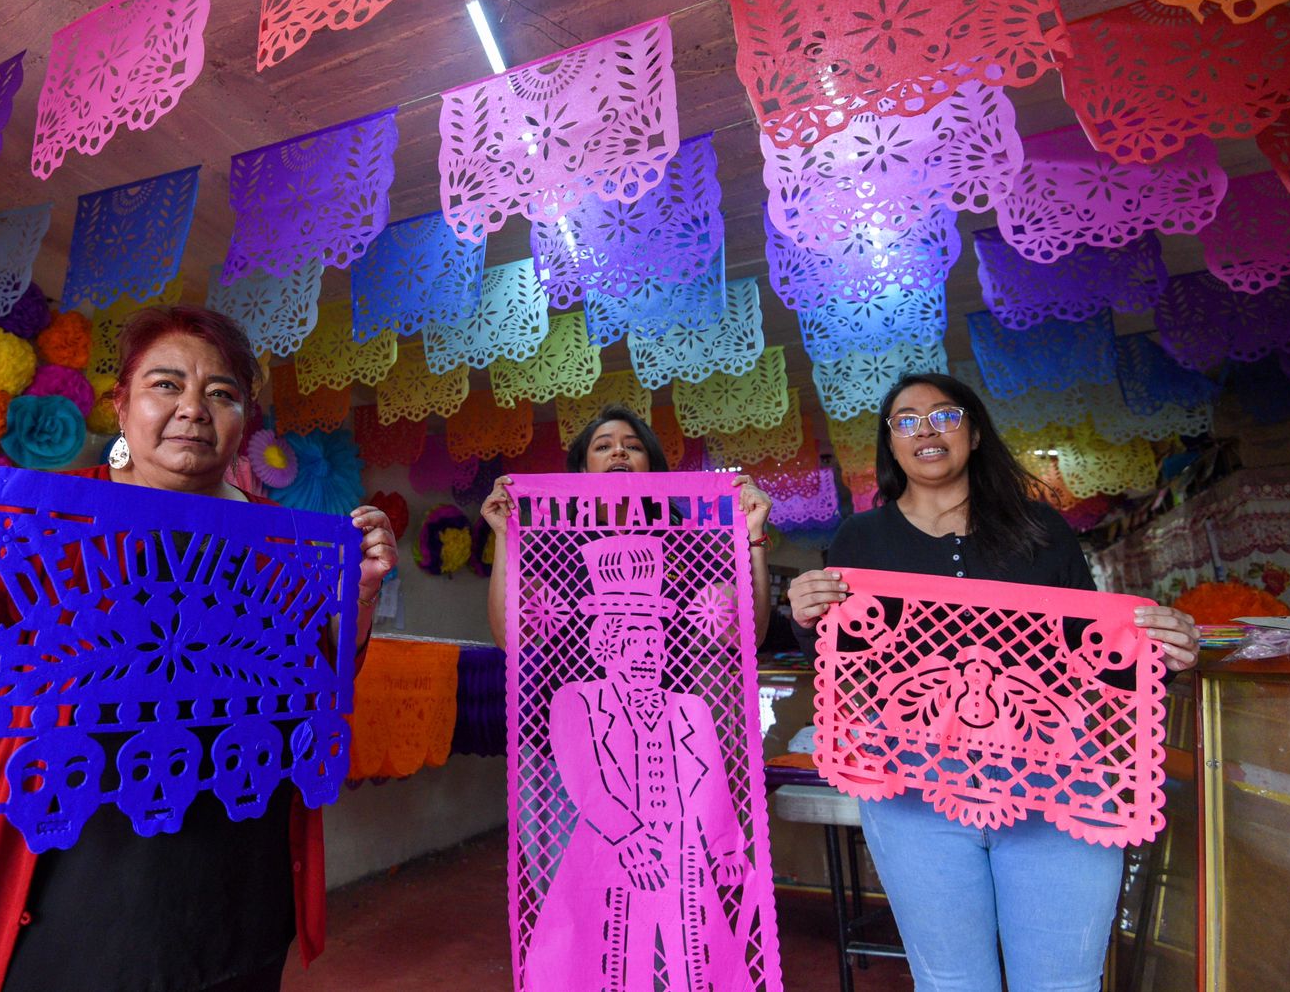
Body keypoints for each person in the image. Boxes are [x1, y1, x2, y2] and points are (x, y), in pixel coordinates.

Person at [0, 306, 398, 992]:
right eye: (167, 385)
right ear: (122, 407)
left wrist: (359, 592)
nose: (193, 409)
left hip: (234, 873)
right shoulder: (35, 514)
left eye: (221, 394)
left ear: (245, 420)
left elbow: (321, 677)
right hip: (60, 881)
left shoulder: (286, 540)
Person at [786, 373, 1199, 992]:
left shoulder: (1039, 527)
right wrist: (804, 613)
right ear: (890, 444)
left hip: (1056, 780)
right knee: (952, 982)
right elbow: (845, 663)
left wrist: (1160, 653)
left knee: (1063, 983)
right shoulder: (859, 539)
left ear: (974, 433)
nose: (926, 429)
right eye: (906, 420)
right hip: (914, 788)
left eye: (944, 415)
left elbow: (1088, 655)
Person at [520, 535, 752, 992]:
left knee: (692, 959)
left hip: (682, 853)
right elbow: (582, 773)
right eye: (631, 638)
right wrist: (627, 837)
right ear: (605, 646)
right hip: (608, 849)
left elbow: (714, 783)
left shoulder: (690, 709)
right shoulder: (578, 700)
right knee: (610, 955)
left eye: (654, 638)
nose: (646, 651)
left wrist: (726, 846)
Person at [481, 404, 773, 649]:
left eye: (633, 446)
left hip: (667, 714)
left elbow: (745, 637)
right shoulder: (556, 544)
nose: (619, 452)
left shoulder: (682, 545)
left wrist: (753, 535)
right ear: (584, 469)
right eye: (604, 446)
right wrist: (505, 536)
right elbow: (511, 637)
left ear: (651, 468)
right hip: (574, 711)